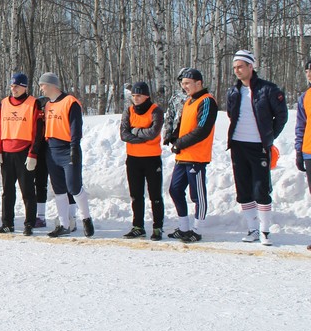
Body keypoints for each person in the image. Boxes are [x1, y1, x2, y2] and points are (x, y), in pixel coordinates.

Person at [226, 50, 287, 246]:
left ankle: (265, 230)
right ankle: (252, 228)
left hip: (258, 146)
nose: (237, 70)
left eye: (241, 66)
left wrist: (268, 137)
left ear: (251, 67)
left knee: (261, 188)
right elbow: (231, 114)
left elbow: (282, 116)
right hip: (238, 145)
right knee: (243, 189)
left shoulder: (268, 89)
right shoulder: (233, 91)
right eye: (235, 67)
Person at [38, 73, 94, 238]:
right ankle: (63, 224)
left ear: (51, 85)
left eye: (43, 85)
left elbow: (76, 126)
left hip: (67, 148)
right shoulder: (47, 105)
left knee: (74, 187)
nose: (41, 88)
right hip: (52, 149)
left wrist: (74, 147)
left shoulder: (70, 102)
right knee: (59, 189)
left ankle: (86, 218)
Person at [165, 68, 217, 244]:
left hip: (197, 157)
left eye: (187, 83)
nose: (184, 87)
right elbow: (182, 123)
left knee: (197, 195)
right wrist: (173, 136)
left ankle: (197, 229)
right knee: (175, 189)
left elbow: (202, 130)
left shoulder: (207, 101)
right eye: (182, 84)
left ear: (198, 83)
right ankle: (184, 227)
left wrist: (180, 143)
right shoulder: (189, 102)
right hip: (183, 156)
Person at [0, 73, 44, 234]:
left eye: (16, 86)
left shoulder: (33, 103)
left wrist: (33, 153)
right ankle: (7, 223)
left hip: (24, 152)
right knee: (7, 191)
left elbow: (38, 131)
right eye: (12, 86)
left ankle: (29, 223)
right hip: (7, 153)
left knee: (28, 191)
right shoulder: (4, 103)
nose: (13, 89)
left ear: (24, 87)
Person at [119, 82, 165, 239]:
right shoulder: (129, 110)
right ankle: (138, 225)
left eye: (138, 95)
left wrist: (135, 132)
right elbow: (124, 134)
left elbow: (153, 132)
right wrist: (139, 138)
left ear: (147, 96)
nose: (135, 98)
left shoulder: (156, 110)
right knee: (136, 195)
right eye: (133, 96)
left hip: (152, 159)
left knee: (155, 195)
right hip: (133, 159)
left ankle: (157, 227)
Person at [295, 60, 311, 251]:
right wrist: (299, 151)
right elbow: (300, 125)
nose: (309, 73)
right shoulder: (305, 97)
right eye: (307, 70)